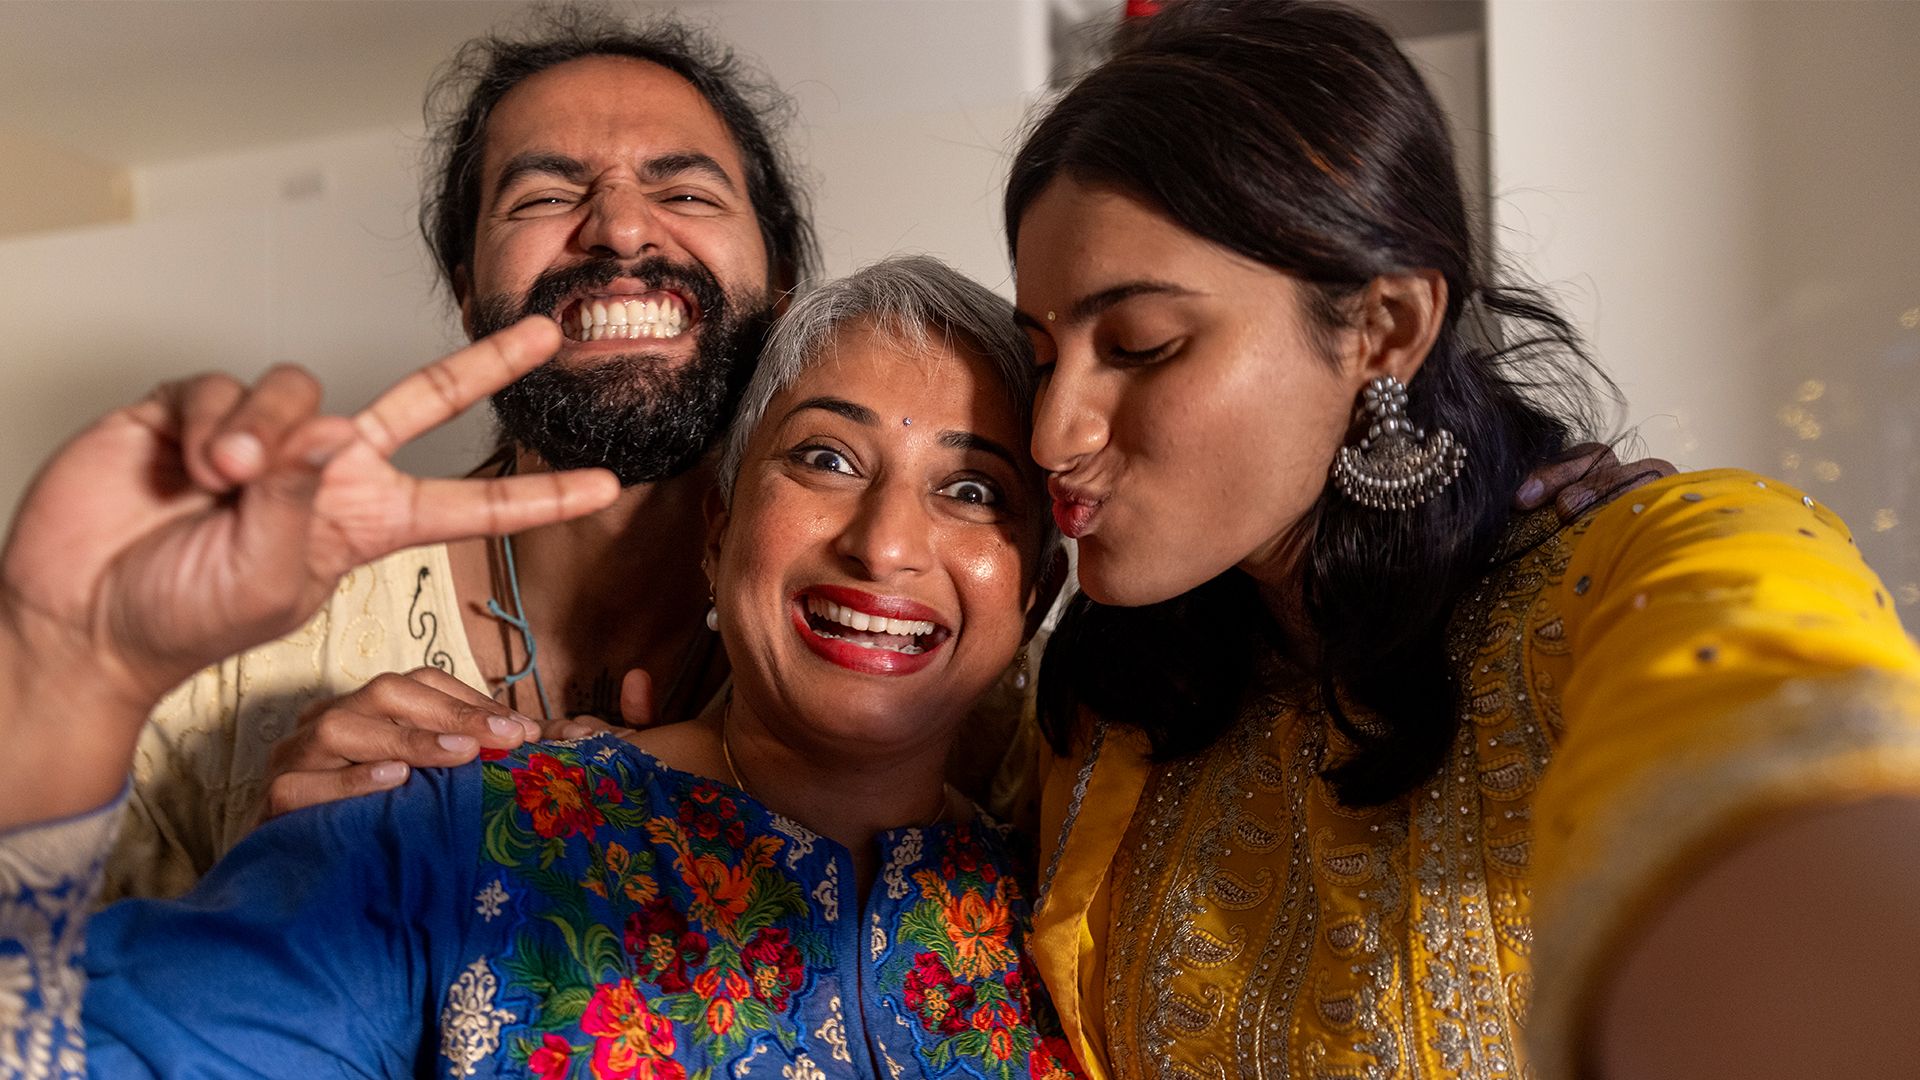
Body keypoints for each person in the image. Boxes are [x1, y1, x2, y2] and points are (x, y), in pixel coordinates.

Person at [1003, 3, 1920, 1079]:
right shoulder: (1112, 707)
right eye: (1041, 358)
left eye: (1141, 344)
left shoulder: (1650, 566)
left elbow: (1791, 757)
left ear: (1384, 329)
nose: (1053, 434)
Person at [0, 257, 1085, 1079]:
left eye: (973, 490)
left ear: (1034, 590)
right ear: (718, 531)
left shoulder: (1074, 923)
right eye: (826, 458)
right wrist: (66, 668)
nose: (886, 545)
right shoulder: (447, 841)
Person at [106, 7, 819, 901]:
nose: (621, 229)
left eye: (685, 193)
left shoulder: (901, 653)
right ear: (470, 294)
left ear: (781, 283)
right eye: (545, 196)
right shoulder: (244, 641)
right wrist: (264, 889)